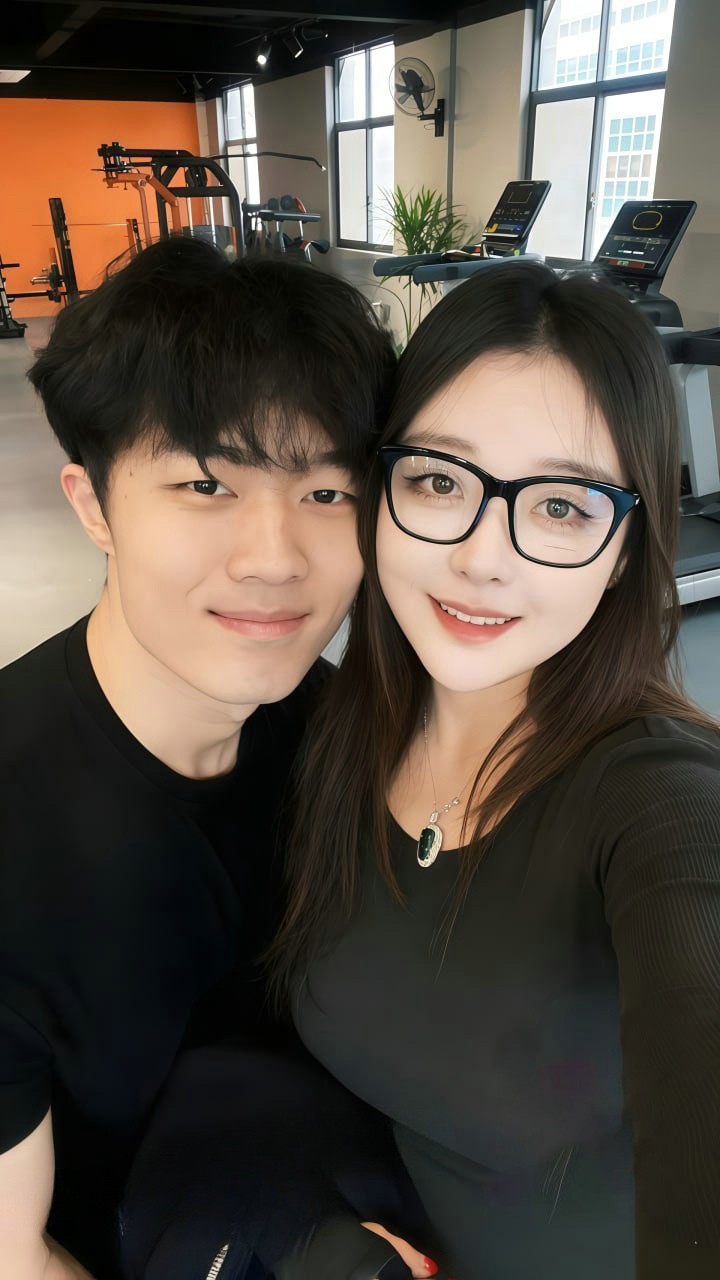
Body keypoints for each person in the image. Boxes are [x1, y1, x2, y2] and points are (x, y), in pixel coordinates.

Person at [265, 262, 720, 1279]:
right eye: (438, 480)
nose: (483, 557)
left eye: (561, 505)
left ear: (624, 548)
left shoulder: (664, 803)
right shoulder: (338, 734)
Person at [0, 236, 395, 1280]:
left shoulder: (338, 732)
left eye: (327, 492)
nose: (274, 558)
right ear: (93, 505)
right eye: (206, 483)